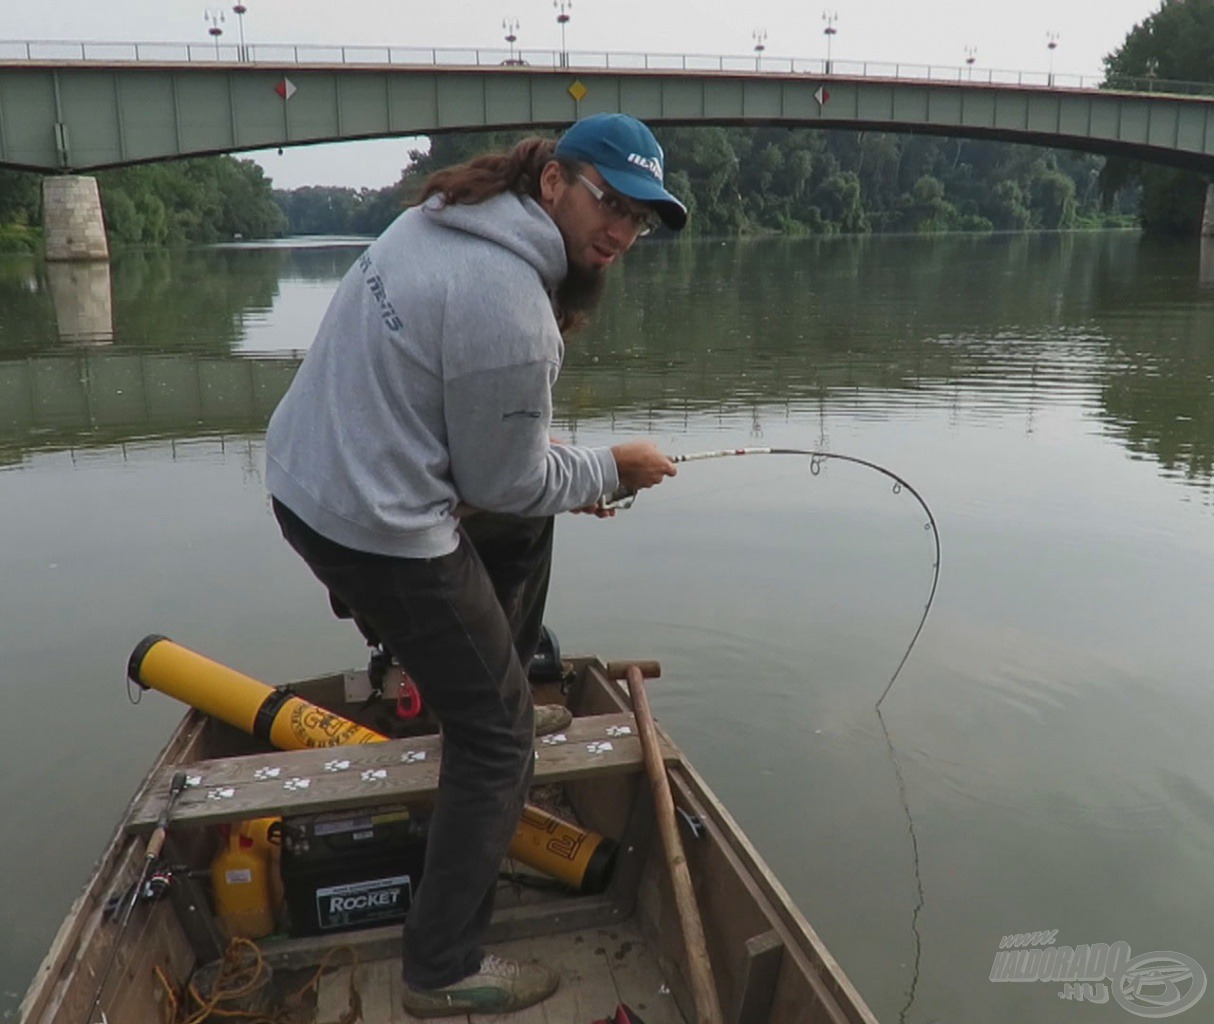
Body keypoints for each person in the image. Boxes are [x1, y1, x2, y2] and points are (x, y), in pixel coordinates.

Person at [263, 112, 686, 1016]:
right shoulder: (512, 306)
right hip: (369, 523)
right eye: (607, 201)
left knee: (526, 528)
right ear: (554, 185)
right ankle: (441, 969)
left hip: (310, 476)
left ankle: (483, 674)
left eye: (638, 217)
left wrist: (562, 479)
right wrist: (611, 469)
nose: (618, 230)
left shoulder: (449, 214)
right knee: (500, 741)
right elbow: (508, 475)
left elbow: (505, 469)